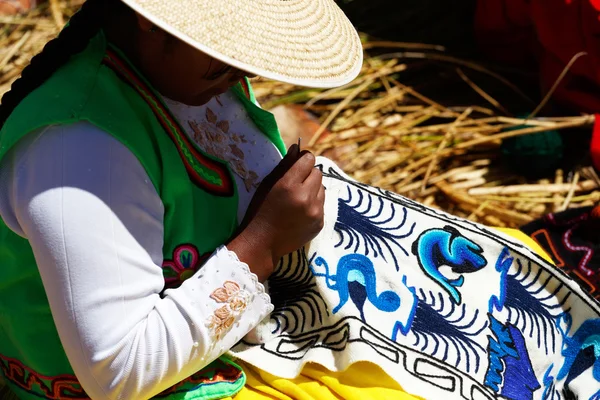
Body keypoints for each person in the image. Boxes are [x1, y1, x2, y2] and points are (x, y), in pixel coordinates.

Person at [0, 1, 587, 399]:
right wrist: (261, 244)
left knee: (508, 277)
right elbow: (119, 371)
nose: (244, 66)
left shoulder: (187, 72)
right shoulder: (81, 152)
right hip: (156, 383)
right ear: (154, 20)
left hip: (243, 313)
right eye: (228, 42)